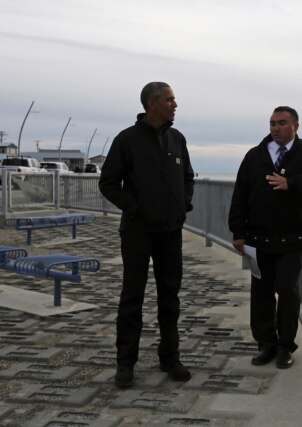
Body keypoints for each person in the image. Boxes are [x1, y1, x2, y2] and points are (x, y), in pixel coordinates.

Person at [99, 82, 195, 388]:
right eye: (170, 100)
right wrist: (135, 207)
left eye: (174, 100)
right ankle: (125, 363)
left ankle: (171, 358)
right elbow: (109, 182)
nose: (175, 104)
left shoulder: (177, 138)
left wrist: (183, 206)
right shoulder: (127, 140)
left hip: (170, 231)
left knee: (170, 298)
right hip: (138, 232)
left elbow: (187, 177)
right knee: (132, 299)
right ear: (152, 104)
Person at [228, 106, 302, 368]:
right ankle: (266, 344)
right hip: (257, 239)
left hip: (291, 238)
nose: (276, 128)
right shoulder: (255, 156)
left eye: (282, 123)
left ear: (295, 126)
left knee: (287, 290)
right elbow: (240, 193)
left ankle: (285, 347)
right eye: (272, 123)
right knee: (261, 292)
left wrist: (293, 183)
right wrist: (238, 233)